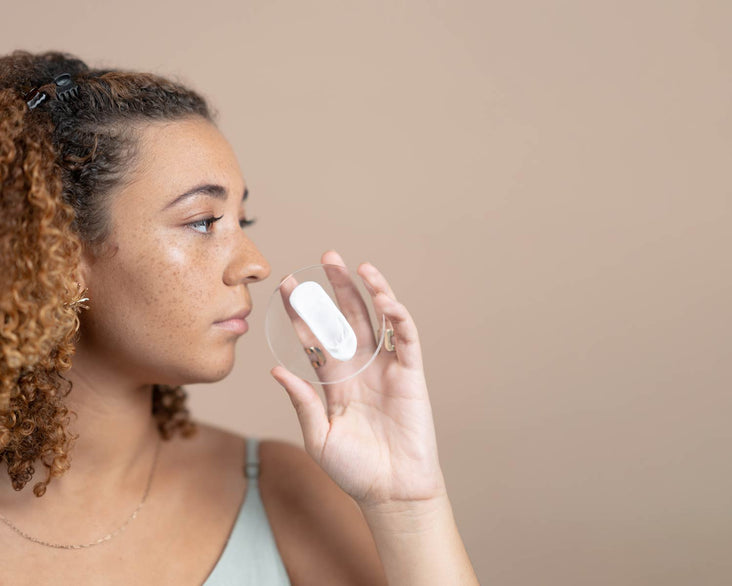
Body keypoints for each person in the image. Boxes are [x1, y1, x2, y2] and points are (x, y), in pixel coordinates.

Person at [0, 50, 479, 585]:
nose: (255, 264)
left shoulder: (283, 493)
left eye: (241, 220)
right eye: (203, 221)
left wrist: (407, 504)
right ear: (59, 255)